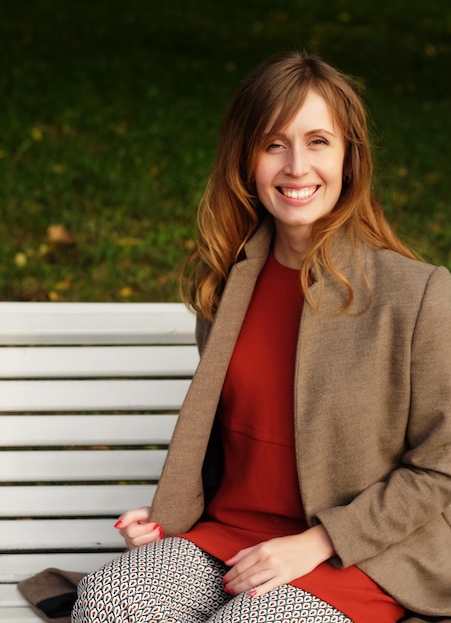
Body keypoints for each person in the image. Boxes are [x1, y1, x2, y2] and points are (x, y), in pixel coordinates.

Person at [72, 51, 451, 623]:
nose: (296, 166)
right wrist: (164, 526)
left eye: (318, 141)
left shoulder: (419, 293)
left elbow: (442, 464)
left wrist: (317, 541)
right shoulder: (230, 283)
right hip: (232, 537)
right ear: (246, 160)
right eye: (274, 143)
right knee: (111, 602)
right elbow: (239, 441)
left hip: (360, 556)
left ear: (350, 157)